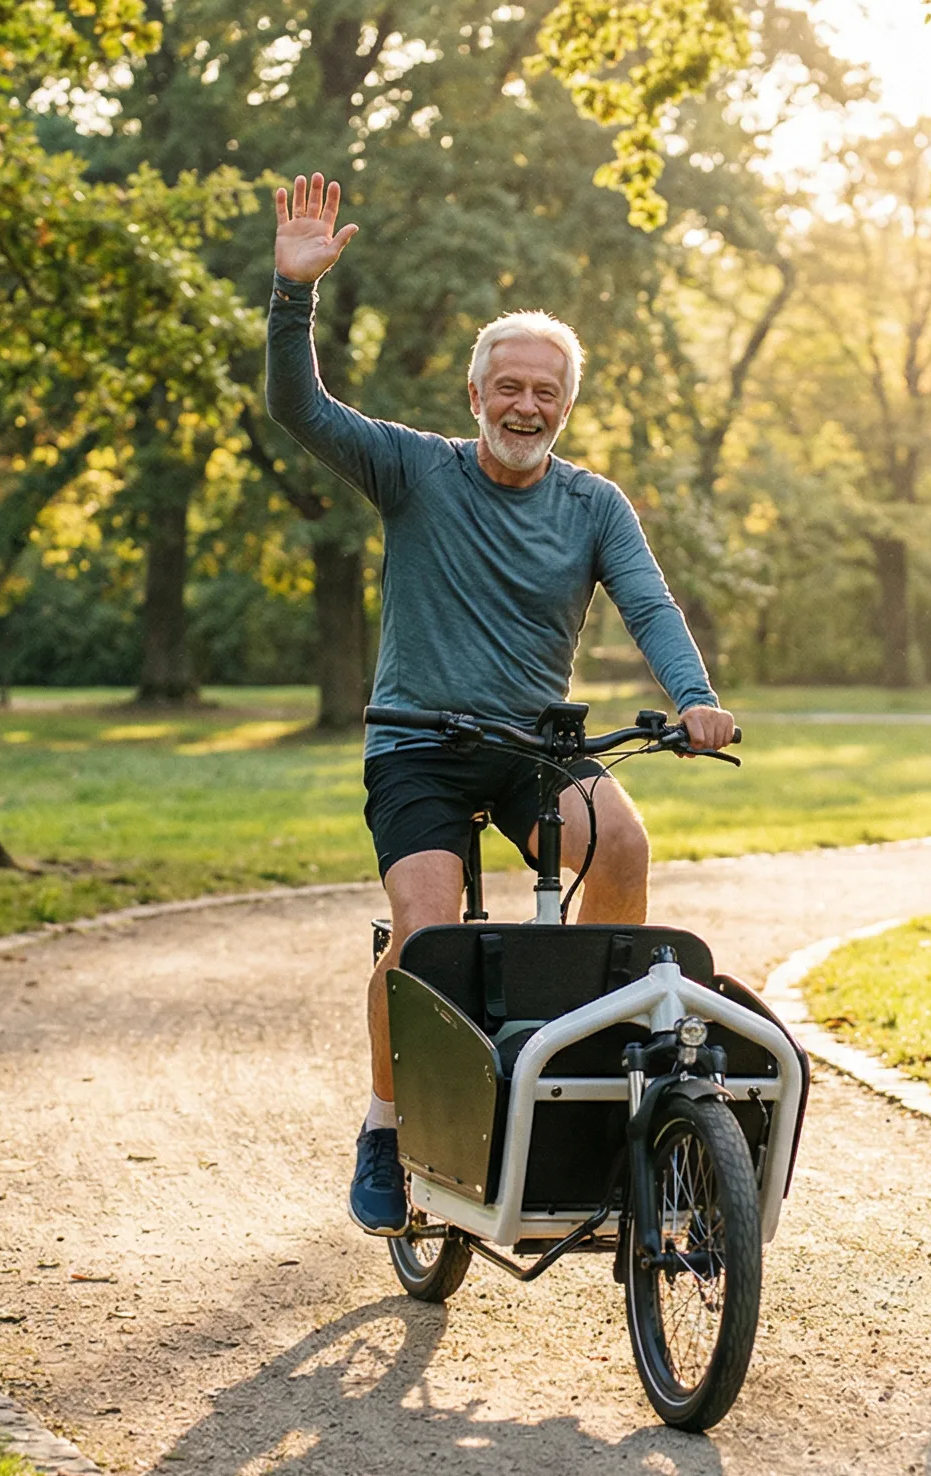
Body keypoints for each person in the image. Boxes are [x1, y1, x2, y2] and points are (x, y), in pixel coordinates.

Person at [265, 175, 736, 1238]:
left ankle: (593, 1068)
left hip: (533, 747)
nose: (527, 406)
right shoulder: (413, 470)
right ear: (477, 393)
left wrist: (696, 700)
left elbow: (651, 605)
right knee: (428, 931)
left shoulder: (593, 503)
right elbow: (299, 409)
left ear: (565, 405)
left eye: (547, 394)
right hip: (420, 749)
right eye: (510, 387)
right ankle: (388, 1124)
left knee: (619, 842)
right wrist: (293, 297)